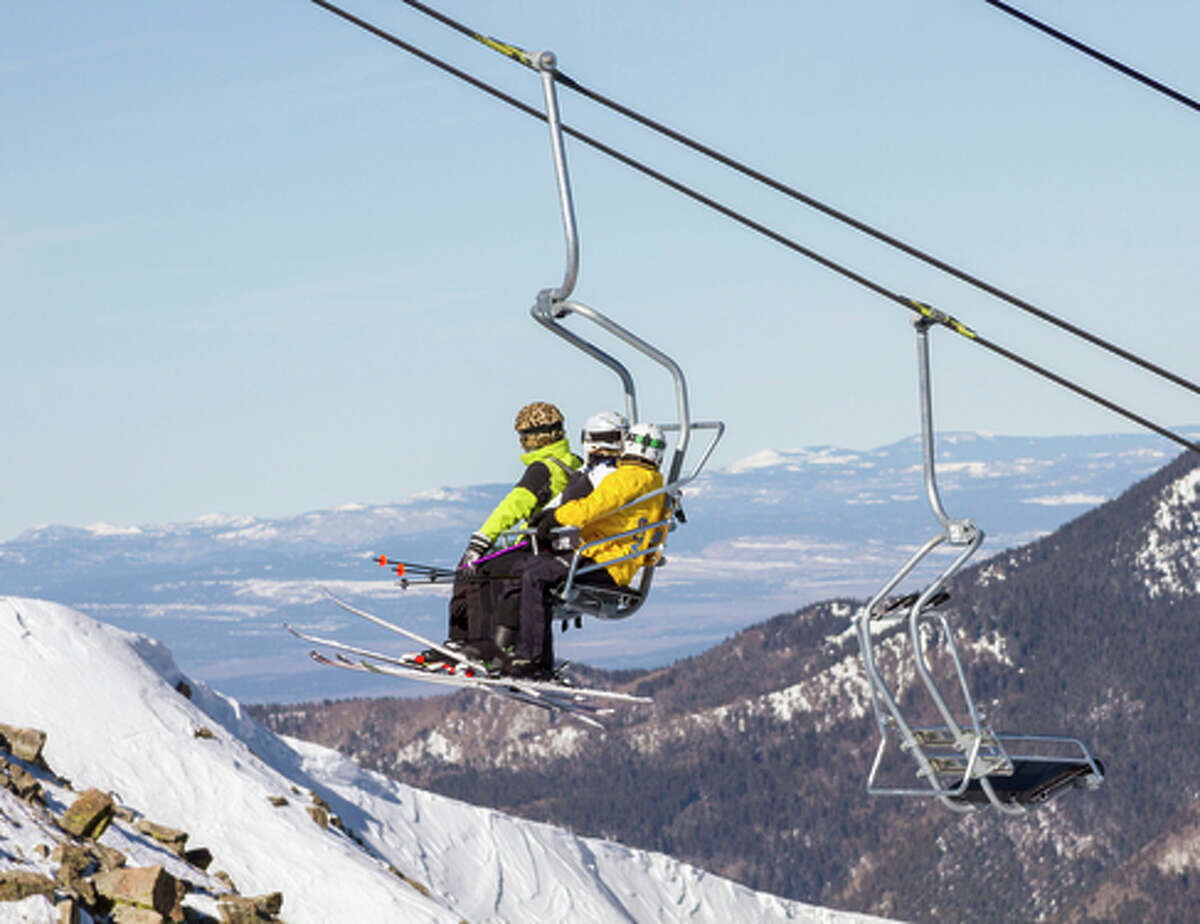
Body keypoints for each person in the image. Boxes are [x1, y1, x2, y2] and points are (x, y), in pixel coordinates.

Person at [415, 401, 582, 667]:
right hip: (557, 546)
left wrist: (480, 541)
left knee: (478, 568)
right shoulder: (573, 463)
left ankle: (477, 643)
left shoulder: (543, 469)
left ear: (535, 436)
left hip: (541, 546)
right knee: (487, 567)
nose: (521, 443)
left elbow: (514, 505)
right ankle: (482, 643)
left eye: (523, 437)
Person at [497, 422, 668, 679]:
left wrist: (554, 517)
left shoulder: (627, 478)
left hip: (603, 564)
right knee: (523, 569)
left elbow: (592, 507)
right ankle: (513, 650)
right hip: (609, 562)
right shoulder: (657, 486)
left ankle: (530, 659)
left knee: (534, 574)